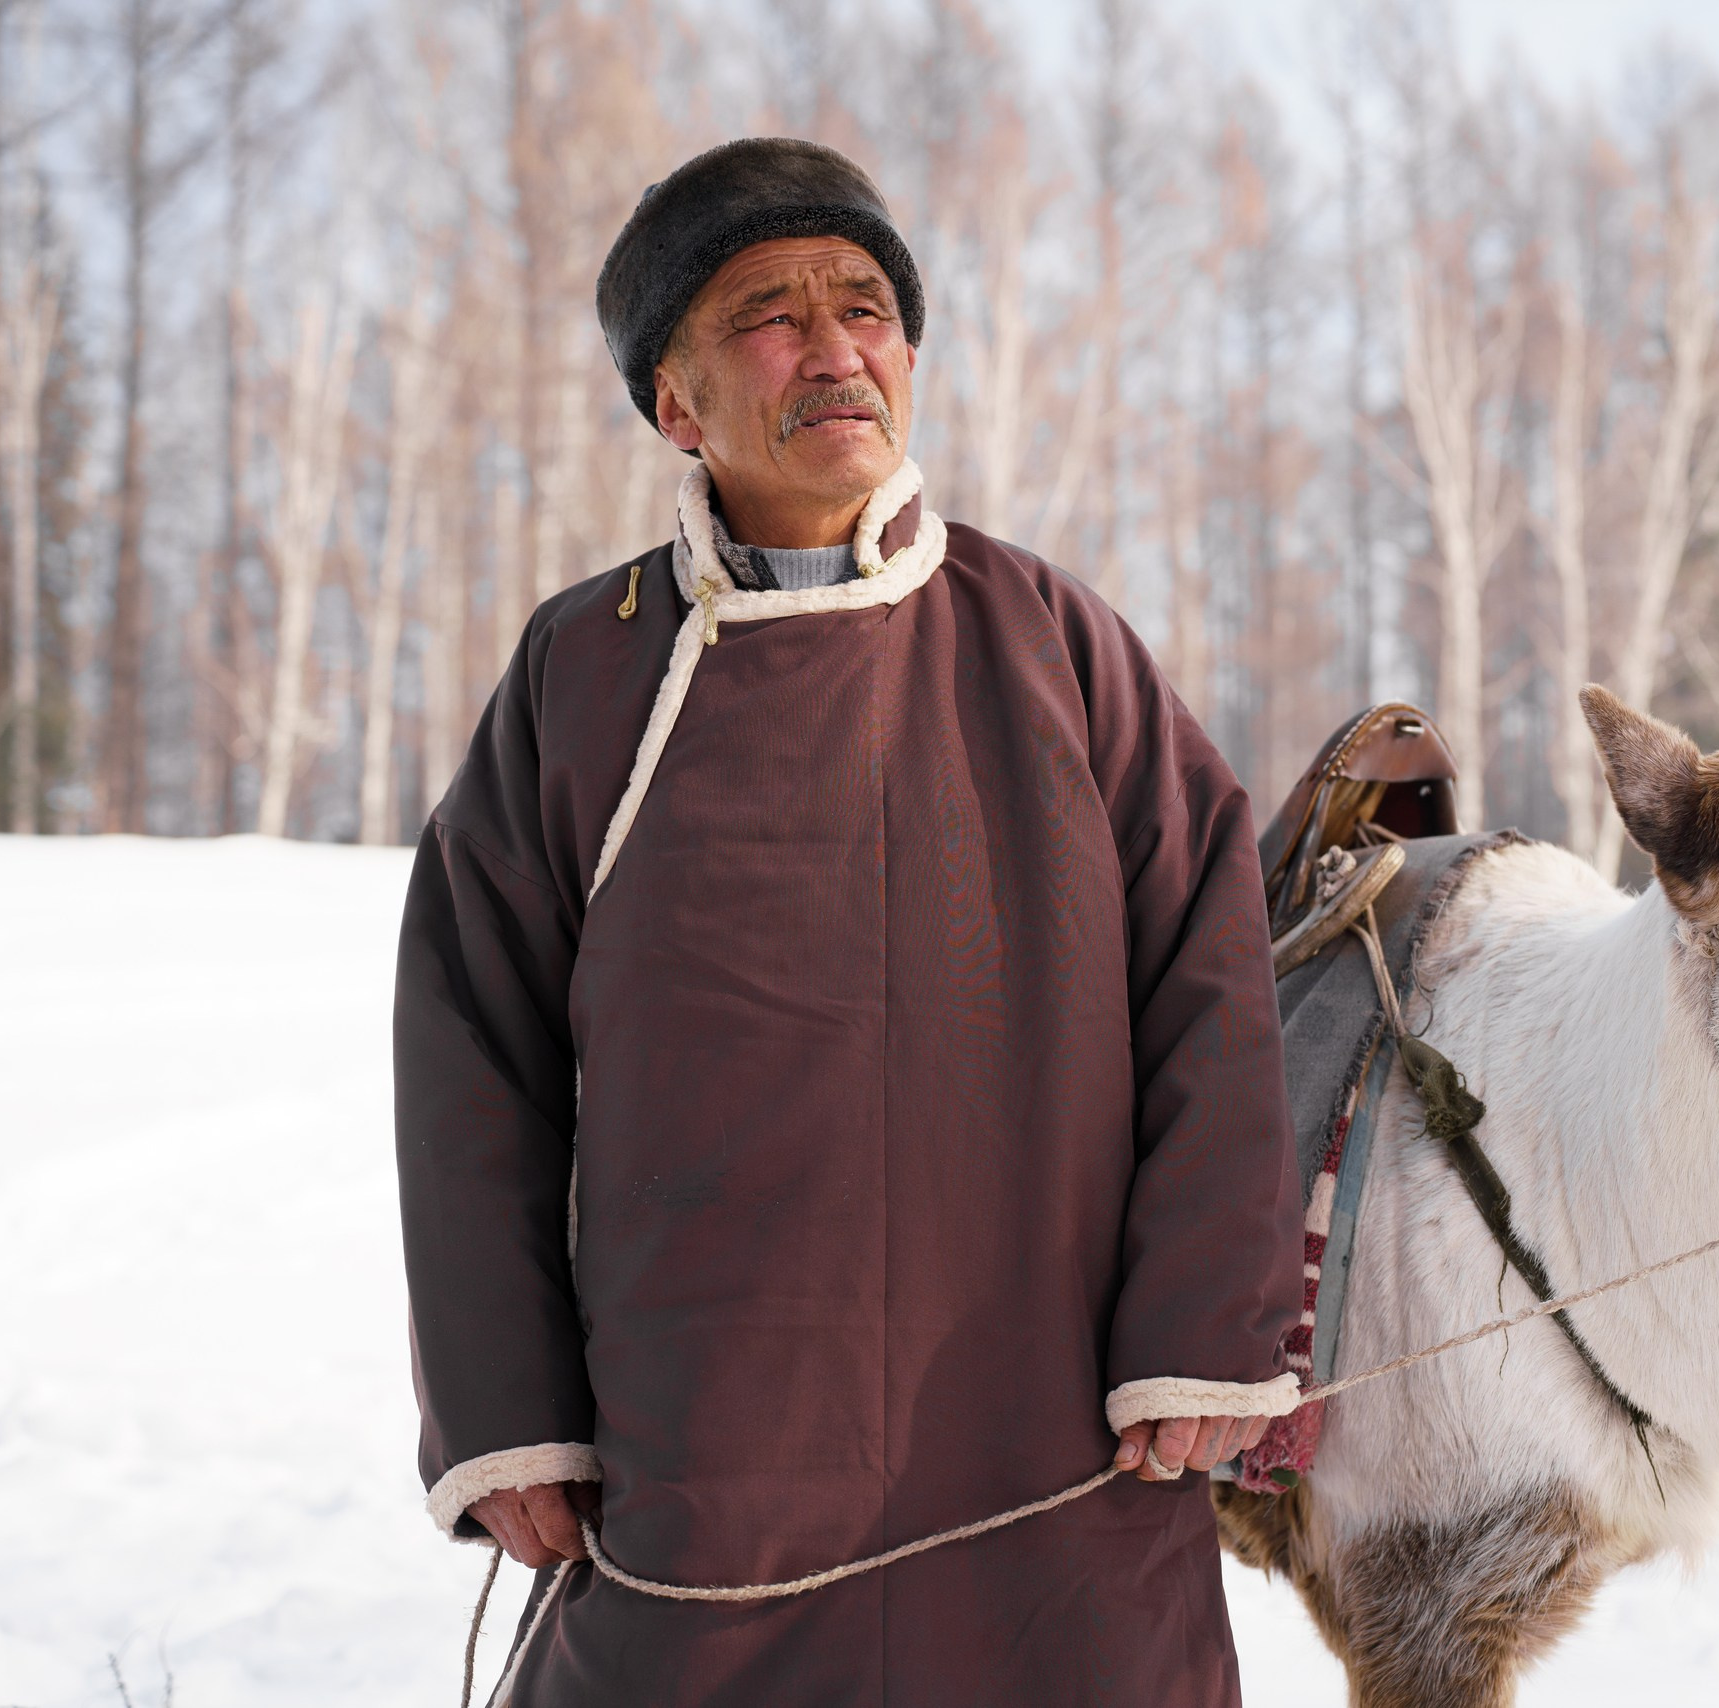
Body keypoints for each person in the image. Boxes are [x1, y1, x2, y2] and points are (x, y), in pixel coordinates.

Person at [394, 137, 1305, 1705]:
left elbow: (1211, 984)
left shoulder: (1053, 639)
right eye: (770, 316)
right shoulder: (585, 674)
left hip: (1053, 1420)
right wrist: (506, 1417)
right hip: (709, 1434)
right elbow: (472, 1052)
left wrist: (1205, 1328)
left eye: (865, 308)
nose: (833, 350)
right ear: (677, 404)